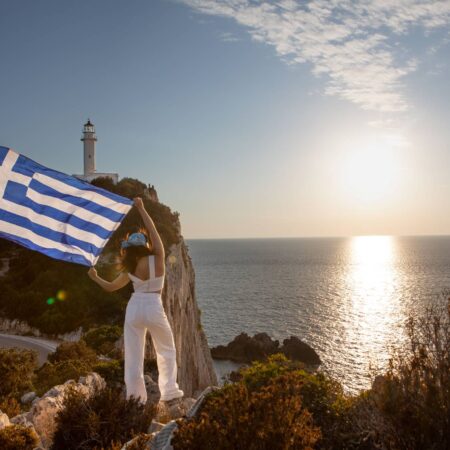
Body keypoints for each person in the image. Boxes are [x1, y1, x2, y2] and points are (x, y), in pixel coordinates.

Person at [87, 197, 184, 406]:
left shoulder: (130, 267)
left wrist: (95, 277)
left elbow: (111, 287)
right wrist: (141, 208)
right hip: (153, 305)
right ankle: (169, 391)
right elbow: (153, 230)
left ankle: (136, 399)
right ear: (146, 245)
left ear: (129, 249)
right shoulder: (157, 257)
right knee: (166, 349)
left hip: (134, 307)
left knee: (133, 357)